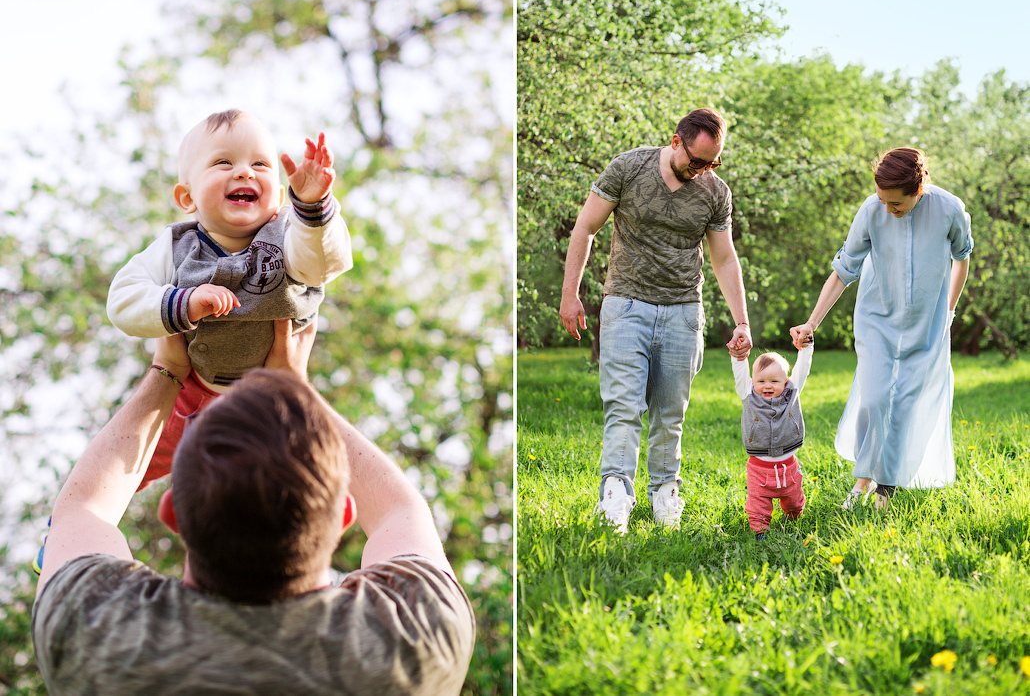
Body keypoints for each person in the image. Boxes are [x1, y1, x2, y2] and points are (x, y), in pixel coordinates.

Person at [32, 319, 476, 695]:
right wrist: (293, 387)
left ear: (173, 516)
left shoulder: (97, 639)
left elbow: (81, 512)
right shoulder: (416, 644)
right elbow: (401, 511)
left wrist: (166, 371)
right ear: (344, 515)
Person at [106, 108, 353, 488]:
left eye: (260, 163)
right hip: (191, 391)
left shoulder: (289, 234)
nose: (244, 172)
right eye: (223, 162)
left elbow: (321, 265)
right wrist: (182, 303)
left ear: (282, 194)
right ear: (187, 197)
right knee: (129, 464)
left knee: (304, 472)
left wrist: (313, 208)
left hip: (272, 396)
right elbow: (123, 300)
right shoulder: (176, 248)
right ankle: (75, 523)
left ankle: (329, 512)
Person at [559, 108, 752, 533]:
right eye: (697, 160)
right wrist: (570, 293)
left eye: (713, 162)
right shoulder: (628, 167)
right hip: (626, 304)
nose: (703, 170)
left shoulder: (716, 192)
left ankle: (665, 494)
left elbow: (723, 257)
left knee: (670, 413)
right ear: (676, 141)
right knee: (624, 406)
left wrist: (741, 322)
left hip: (684, 310)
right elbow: (586, 227)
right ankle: (615, 497)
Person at [789, 147, 973, 510]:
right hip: (877, 321)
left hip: (927, 325)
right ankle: (863, 480)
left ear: (918, 189)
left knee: (903, 404)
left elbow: (961, 259)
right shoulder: (871, 211)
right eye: (882, 199)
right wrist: (811, 322)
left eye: (896, 203)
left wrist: (948, 313)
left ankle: (884, 486)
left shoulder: (950, 210)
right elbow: (843, 271)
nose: (887, 208)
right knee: (874, 400)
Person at [731, 340, 813, 539]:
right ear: (752, 381)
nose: (767, 386)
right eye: (761, 381)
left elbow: (802, 369)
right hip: (759, 470)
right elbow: (739, 371)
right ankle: (760, 531)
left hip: (789, 468)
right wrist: (738, 353)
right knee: (758, 504)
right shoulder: (748, 394)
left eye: (774, 381)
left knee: (794, 501)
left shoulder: (791, 393)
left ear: (785, 382)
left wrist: (807, 347)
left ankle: (793, 518)